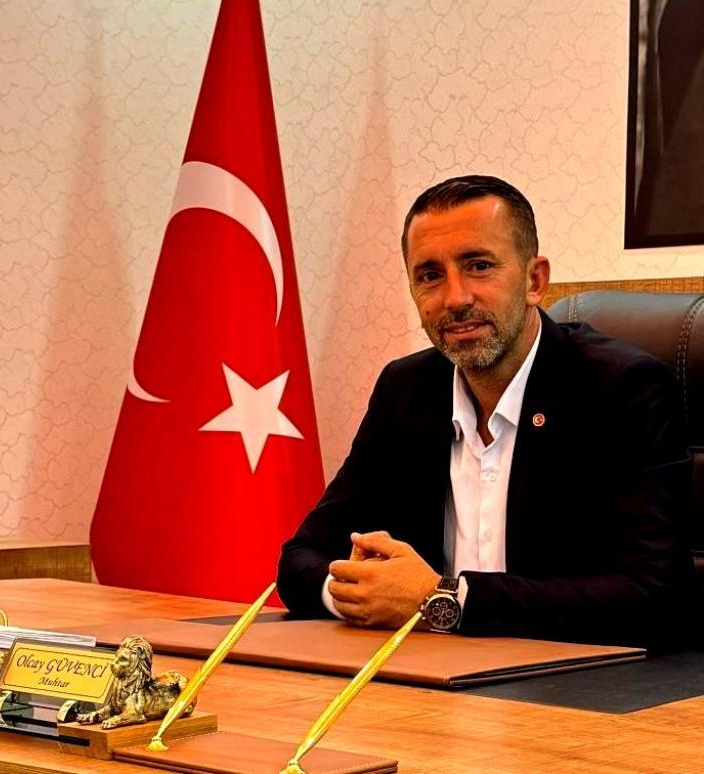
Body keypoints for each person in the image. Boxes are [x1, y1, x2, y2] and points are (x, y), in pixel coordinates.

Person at [277, 175, 694, 647]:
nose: (455, 298)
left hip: (573, 680)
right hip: (428, 673)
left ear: (534, 281)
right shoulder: (406, 389)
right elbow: (301, 558)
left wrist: (442, 601)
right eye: (430, 275)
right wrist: (359, 595)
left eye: (478, 266)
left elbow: (655, 596)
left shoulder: (622, 388)